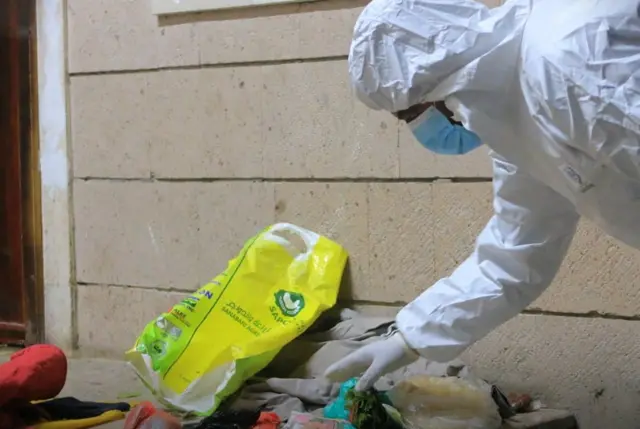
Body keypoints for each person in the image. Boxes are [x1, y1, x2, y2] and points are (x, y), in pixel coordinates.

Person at [324, 0, 640, 392]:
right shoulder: (515, 113)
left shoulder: (568, 66)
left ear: (435, 82)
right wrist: (409, 338)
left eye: (410, 115)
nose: (420, 129)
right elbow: (516, 252)